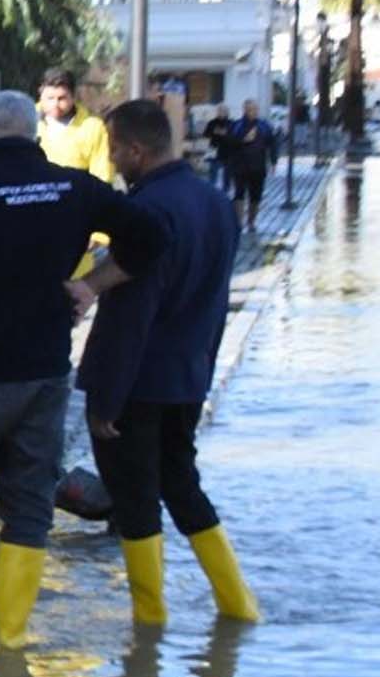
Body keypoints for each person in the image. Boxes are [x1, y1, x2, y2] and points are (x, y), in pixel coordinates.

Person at [0, 89, 166, 647]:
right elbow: (152, 237)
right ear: (35, 136)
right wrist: (93, 284)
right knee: (29, 505)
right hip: (42, 375)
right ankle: (11, 640)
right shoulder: (74, 187)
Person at [74, 100, 262, 625]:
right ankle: (238, 605)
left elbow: (130, 316)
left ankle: (148, 624)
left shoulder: (146, 213)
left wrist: (105, 399)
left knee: (134, 502)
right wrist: (202, 372)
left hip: (137, 383)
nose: (112, 160)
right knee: (182, 485)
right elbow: (218, 303)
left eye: (115, 150)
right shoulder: (217, 203)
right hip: (187, 376)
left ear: (137, 150)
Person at [37, 70, 111, 178]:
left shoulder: (93, 127)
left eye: (61, 98)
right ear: (41, 96)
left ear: (73, 97)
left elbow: (103, 174)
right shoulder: (26, 121)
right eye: (50, 98)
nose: (55, 104)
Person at [215, 100, 274, 229]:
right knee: (239, 193)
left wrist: (273, 161)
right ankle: (238, 222)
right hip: (239, 166)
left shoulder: (264, 126)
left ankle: (251, 222)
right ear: (245, 110)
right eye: (250, 109)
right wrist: (243, 140)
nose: (253, 112)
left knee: (256, 195)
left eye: (255, 109)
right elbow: (227, 143)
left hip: (258, 167)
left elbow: (272, 144)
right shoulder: (236, 125)